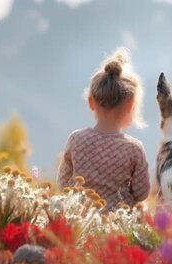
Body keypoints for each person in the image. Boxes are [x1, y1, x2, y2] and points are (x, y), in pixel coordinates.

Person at [57, 48, 150, 212]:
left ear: (91, 102)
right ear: (130, 106)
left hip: (79, 223)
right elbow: (141, 193)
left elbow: (63, 183)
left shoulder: (76, 139)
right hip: (117, 228)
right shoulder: (134, 149)